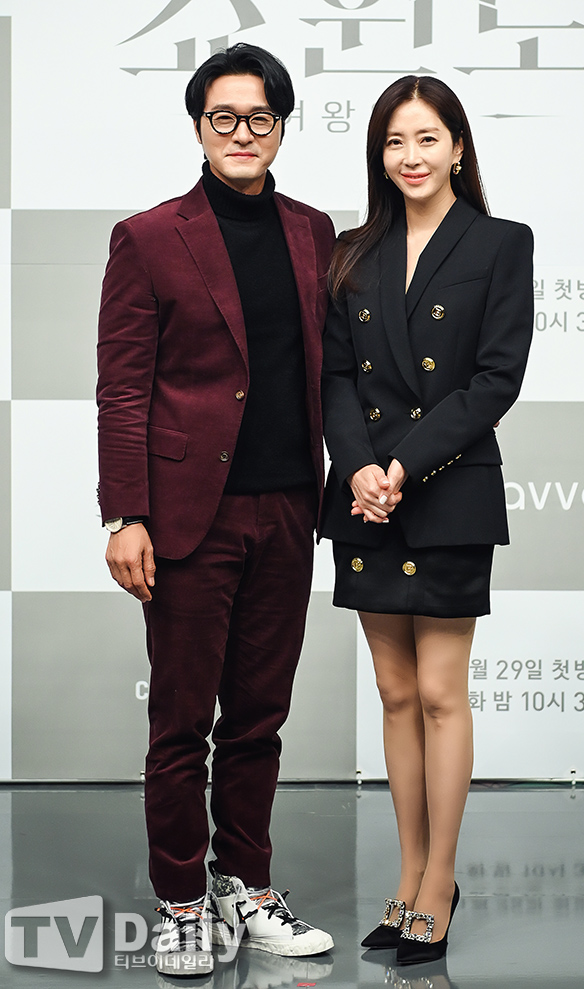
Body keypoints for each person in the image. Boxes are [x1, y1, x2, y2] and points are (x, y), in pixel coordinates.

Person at [97, 44, 335, 978]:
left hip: (289, 509)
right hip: (188, 518)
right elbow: (123, 387)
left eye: (260, 117)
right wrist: (126, 513)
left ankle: (248, 883)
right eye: (224, 117)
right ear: (199, 126)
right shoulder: (149, 236)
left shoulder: (314, 232)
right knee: (181, 724)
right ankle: (182, 901)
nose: (243, 133)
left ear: (282, 127)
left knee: (259, 719)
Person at [321, 75, 533, 966]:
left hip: (446, 491)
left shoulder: (500, 242)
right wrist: (359, 469)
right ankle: (406, 878)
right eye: (393, 141)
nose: (410, 156)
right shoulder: (350, 251)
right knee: (396, 693)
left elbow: (496, 378)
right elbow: (335, 377)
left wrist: (402, 465)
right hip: (366, 495)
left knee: (442, 693)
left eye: (426, 138)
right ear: (380, 155)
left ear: (458, 147)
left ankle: (439, 881)